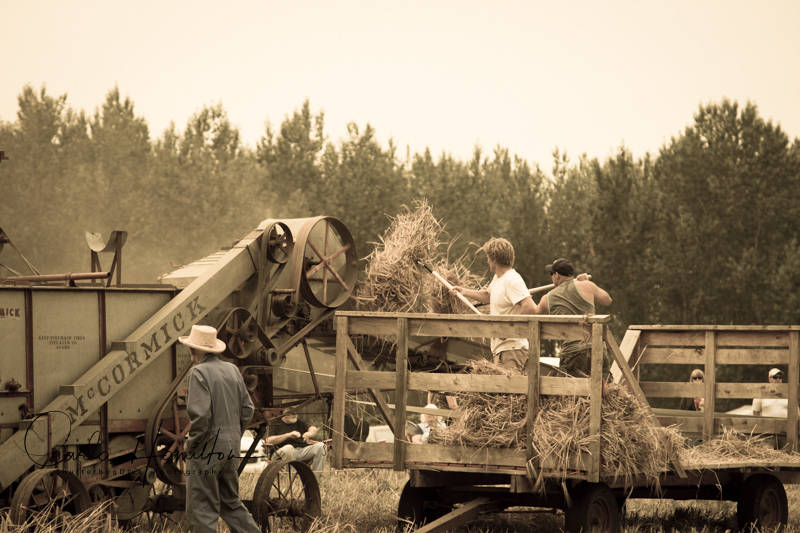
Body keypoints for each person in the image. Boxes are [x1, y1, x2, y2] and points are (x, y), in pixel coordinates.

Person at [181, 324, 261, 533]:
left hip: (207, 449)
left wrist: (191, 444)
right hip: (231, 448)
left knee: (202, 510)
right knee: (231, 503)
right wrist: (234, 434)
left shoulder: (198, 373)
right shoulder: (232, 370)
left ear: (194, 350)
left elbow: (201, 417)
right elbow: (248, 409)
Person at [451, 238, 536, 373]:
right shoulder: (498, 279)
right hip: (501, 348)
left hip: (512, 349)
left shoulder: (512, 279)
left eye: (488, 258)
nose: (487, 261)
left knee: (508, 391)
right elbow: (488, 295)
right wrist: (464, 291)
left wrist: (508, 331)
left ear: (494, 258)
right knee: (503, 392)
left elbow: (530, 307)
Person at [532, 258, 612, 377]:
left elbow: (534, 314)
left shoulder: (547, 298)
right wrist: (588, 284)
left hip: (573, 353)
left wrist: (526, 298)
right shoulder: (586, 286)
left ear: (557, 275)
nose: (551, 277)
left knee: (569, 393)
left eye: (551, 274)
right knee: (601, 392)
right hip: (597, 348)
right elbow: (607, 300)